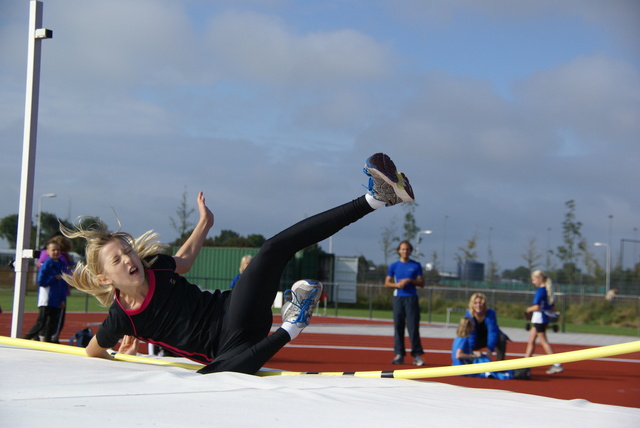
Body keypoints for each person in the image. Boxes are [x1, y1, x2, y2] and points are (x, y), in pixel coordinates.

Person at [61, 152, 415, 375]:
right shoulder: (122, 318)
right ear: (106, 279)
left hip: (235, 310)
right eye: (117, 261)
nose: (128, 260)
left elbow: (183, 261)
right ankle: (292, 324)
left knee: (272, 249)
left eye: (128, 251)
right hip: (228, 350)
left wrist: (204, 225)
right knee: (215, 373)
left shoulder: (155, 266)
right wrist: (120, 361)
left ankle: (375, 197)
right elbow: (94, 352)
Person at [385, 240, 425, 366]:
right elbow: (387, 283)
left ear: (410, 251)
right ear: (399, 251)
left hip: (412, 298)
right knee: (398, 327)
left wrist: (409, 280)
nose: (405, 251)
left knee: (413, 327)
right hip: (398, 298)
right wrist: (397, 284)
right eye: (403, 249)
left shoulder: (416, 265)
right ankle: (399, 355)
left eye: (407, 249)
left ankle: (417, 355)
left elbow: (422, 283)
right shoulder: (394, 266)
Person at [24, 239, 68, 342]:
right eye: (53, 250)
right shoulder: (47, 264)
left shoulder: (61, 264)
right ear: (47, 251)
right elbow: (41, 281)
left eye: (58, 250)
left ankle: (47, 342)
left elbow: (62, 284)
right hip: (47, 299)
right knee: (41, 322)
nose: (56, 252)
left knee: (51, 324)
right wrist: (53, 278)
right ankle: (26, 339)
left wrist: (62, 299)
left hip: (56, 300)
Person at [525, 269, 563, 374]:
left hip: (539, 318)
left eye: (534, 280)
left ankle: (557, 364)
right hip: (543, 318)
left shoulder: (540, 291)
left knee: (543, 341)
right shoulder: (547, 290)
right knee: (531, 340)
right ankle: (525, 363)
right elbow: (552, 307)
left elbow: (537, 306)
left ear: (539, 279)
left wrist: (528, 309)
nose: (533, 282)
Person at [465, 292, 509, 361]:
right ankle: (468, 361)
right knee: (464, 339)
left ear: (484, 304)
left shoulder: (490, 314)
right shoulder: (469, 316)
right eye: (476, 303)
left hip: (487, 338)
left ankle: (500, 364)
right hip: (476, 339)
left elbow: (492, 332)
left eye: (480, 303)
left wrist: (490, 350)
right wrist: (472, 352)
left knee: (501, 337)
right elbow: (471, 334)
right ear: (472, 304)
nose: (478, 305)